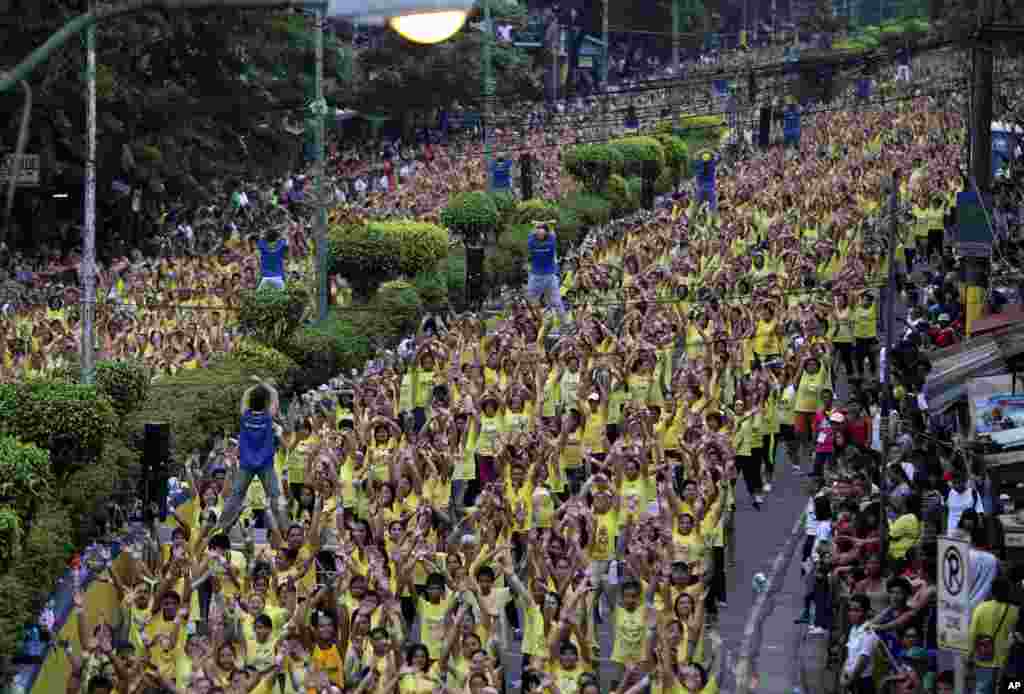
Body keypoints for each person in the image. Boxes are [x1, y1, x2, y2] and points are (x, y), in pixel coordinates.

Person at [217, 377, 286, 532]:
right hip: (265, 465)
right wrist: (263, 384)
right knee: (275, 498)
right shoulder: (269, 417)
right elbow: (274, 396)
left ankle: (220, 527)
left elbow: (244, 398)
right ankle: (284, 530)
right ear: (266, 402)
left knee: (235, 497)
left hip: (246, 464)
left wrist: (254, 386)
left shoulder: (245, 416)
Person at [969, 576, 1018, 694]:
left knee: (982, 690)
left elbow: (972, 633)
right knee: (1011, 688)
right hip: (1007, 660)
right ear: (1009, 592)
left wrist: (969, 654)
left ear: (992, 591)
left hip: (984, 657)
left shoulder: (981, 608)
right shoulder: (1015, 611)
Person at [526, 220, 568, 324]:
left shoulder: (551, 242)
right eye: (538, 233)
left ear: (546, 234)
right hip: (535, 276)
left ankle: (565, 323)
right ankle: (540, 320)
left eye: (542, 233)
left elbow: (552, 233)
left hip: (550, 276)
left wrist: (538, 224)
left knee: (557, 302)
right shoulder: (532, 243)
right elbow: (533, 233)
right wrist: (544, 223)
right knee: (531, 299)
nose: (540, 234)